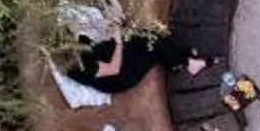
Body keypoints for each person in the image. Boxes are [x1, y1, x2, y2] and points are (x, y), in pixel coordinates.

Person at [63, 30, 213, 98]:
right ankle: (185, 61)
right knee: (150, 52)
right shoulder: (81, 68)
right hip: (119, 77)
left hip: (109, 53)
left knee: (148, 37)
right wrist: (119, 44)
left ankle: (183, 60)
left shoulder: (78, 44)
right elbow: (113, 69)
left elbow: (93, 43)